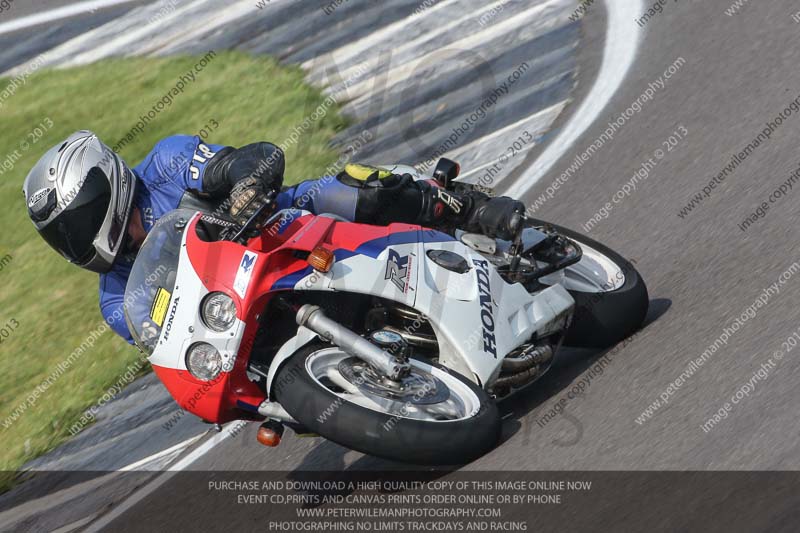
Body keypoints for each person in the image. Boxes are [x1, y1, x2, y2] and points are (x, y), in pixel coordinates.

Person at [22, 130, 525, 344]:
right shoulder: (116, 300)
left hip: (285, 232)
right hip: (245, 319)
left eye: (77, 221)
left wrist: (244, 185)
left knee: (352, 191)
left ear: (104, 184)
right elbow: (171, 347)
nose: (77, 239)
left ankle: (463, 207)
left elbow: (254, 159)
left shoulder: (168, 162)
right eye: (62, 236)